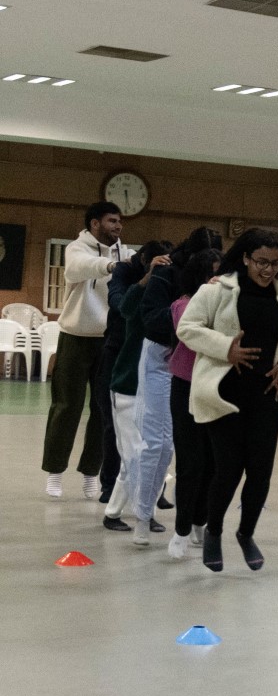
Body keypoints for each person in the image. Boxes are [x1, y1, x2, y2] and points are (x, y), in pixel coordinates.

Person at [177, 229, 278, 572]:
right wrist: (225, 348)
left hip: (266, 395)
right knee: (228, 471)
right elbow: (187, 328)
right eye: (261, 261)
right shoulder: (216, 290)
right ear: (245, 258)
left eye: (275, 263)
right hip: (225, 395)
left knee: (260, 474)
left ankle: (246, 533)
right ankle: (213, 531)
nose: (268, 270)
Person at [41, 201, 130, 498]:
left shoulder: (125, 252)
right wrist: (111, 266)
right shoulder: (76, 248)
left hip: (108, 340)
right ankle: (55, 473)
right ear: (95, 223)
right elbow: (79, 268)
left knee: (103, 411)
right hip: (75, 337)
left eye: (119, 221)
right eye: (112, 221)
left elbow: (138, 266)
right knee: (66, 406)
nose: (118, 226)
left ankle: (91, 474)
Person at [101, 240, 173, 544]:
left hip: (156, 388)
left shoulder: (171, 299)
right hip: (127, 386)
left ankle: (137, 512)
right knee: (133, 457)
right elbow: (125, 307)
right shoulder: (138, 293)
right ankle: (119, 513)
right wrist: (147, 278)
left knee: (155, 455)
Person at [166, 248, 223, 559]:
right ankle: (181, 529)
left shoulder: (226, 305)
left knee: (213, 463)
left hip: (215, 388)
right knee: (190, 463)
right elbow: (191, 336)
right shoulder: (183, 305)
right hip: (186, 388)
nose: (218, 279)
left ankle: (201, 520)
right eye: (212, 273)